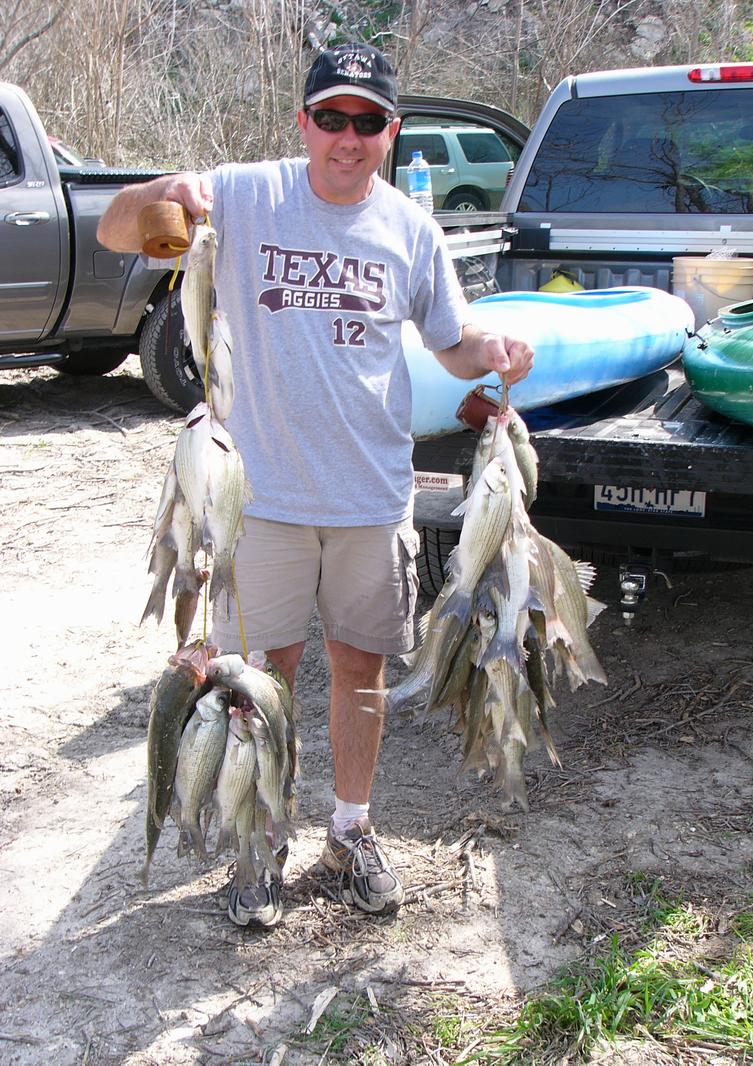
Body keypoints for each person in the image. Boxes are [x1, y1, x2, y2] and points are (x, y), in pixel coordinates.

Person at [97, 41, 533, 928]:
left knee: (360, 673)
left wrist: (489, 353)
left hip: (372, 497)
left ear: (390, 131)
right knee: (260, 677)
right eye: (330, 118)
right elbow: (115, 230)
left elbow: (450, 342)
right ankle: (262, 840)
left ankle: (351, 831)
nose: (347, 136)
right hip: (256, 499)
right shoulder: (245, 196)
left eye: (366, 121)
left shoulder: (412, 229)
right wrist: (160, 194)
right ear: (303, 123)